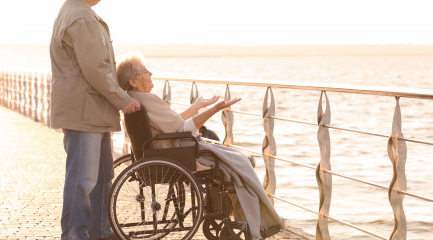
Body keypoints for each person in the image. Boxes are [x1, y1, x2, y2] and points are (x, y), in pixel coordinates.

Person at [116, 55, 285, 240]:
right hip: (173, 155)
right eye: (145, 71)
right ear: (133, 81)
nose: (151, 74)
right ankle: (260, 220)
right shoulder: (148, 99)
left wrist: (197, 106)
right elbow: (182, 128)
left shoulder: (134, 99)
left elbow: (174, 123)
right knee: (239, 161)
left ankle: (241, 214)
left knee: (234, 160)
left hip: (159, 151)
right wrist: (215, 109)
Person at [50, 0, 141, 239]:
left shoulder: (78, 14)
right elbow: (96, 69)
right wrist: (123, 99)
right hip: (85, 112)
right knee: (83, 179)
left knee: (101, 178)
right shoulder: (80, 18)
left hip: (92, 111)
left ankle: (100, 231)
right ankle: (74, 235)